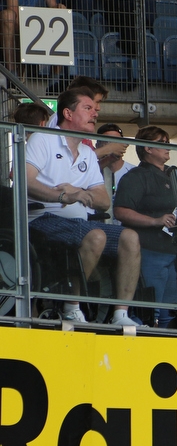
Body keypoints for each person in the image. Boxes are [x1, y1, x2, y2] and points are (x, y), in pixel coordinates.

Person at [25, 88, 141, 326]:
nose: (94, 114)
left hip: (80, 224)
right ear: (68, 113)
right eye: (87, 108)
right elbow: (25, 180)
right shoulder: (42, 138)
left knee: (130, 237)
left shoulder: (88, 153)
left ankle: (120, 314)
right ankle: (71, 306)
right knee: (96, 235)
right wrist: (62, 197)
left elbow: (103, 201)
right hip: (41, 218)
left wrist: (79, 193)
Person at [112, 127, 177, 329]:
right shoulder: (136, 176)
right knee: (150, 311)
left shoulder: (173, 176)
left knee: (172, 312)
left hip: (174, 251)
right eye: (162, 141)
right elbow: (121, 211)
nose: (167, 145)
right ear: (148, 148)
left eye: (168, 140)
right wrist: (155, 221)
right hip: (148, 250)